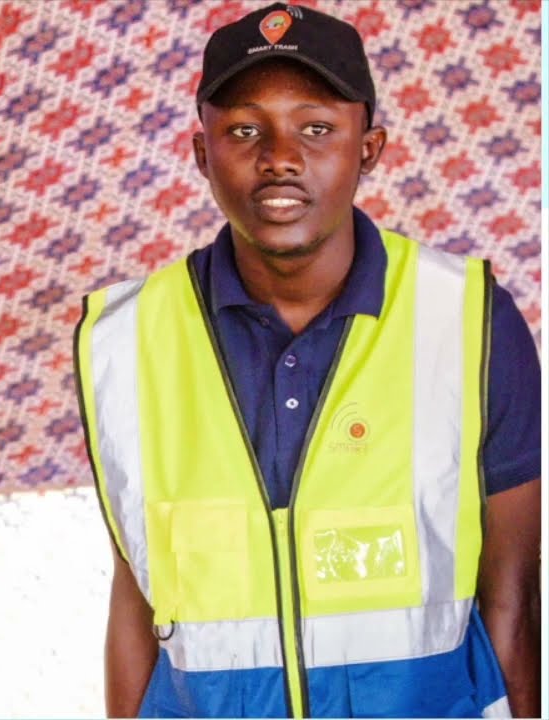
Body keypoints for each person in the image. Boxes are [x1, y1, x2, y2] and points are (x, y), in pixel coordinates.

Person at [75, 4, 540, 718]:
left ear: (370, 148)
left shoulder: (470, 319)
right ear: (203, 153)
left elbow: (512, 594)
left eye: (316, 128)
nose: (280, 156)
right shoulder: (122, 339)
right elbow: (136, 597)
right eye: (243, 129)